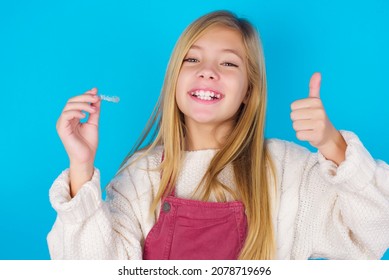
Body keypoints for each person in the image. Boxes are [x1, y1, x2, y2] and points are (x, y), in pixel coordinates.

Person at [47, 10, 389, 260]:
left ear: (248, 91)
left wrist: (333, 145)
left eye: (228, 64)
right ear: (174, 81)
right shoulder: (140, 178)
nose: (207, 72)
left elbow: (371, 234)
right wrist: (80, 166)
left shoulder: (288, 171)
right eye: (192, 59)